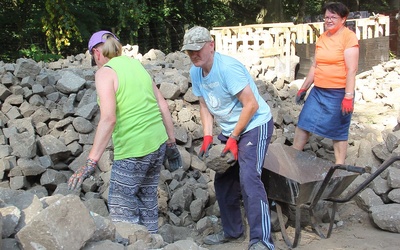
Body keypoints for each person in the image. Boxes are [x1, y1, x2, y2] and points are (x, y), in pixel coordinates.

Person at [68, 30, 182, 234]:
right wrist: (171, 142)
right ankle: (153, 243)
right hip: (157, 144)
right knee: (147, 197)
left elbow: (109, 118)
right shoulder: (136, 65)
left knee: (121, 206)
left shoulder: (105, 73)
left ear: (96, 52)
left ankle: (135, 244)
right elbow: (162, 104)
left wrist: (91, 162)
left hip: (133, 148)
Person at [181, 26, 275, 250]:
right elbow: (204, 105)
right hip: (231, 128)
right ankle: (233, 232)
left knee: (249, 178)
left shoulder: (228, 68)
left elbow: (251, 105)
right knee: (223, 181)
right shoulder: (196, 71)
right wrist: (206, 135)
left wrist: (234, 136)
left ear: (211, 45)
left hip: (255, 124)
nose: (194, 54)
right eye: (189, 51)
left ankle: (262, 241)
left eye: (198, 49)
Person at [293, 2, 359, 165]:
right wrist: (304, 87)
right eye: (326, 17)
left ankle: (339, 165)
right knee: (304, 123)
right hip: (318, 92)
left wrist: (348, 96)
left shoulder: (348, 37)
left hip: (339, 92)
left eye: (333, 17)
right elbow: (315, 65)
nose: (328, 20)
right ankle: (292, 158)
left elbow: (351, 69)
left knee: (338, 129)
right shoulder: (323, 37)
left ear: (343, 19)